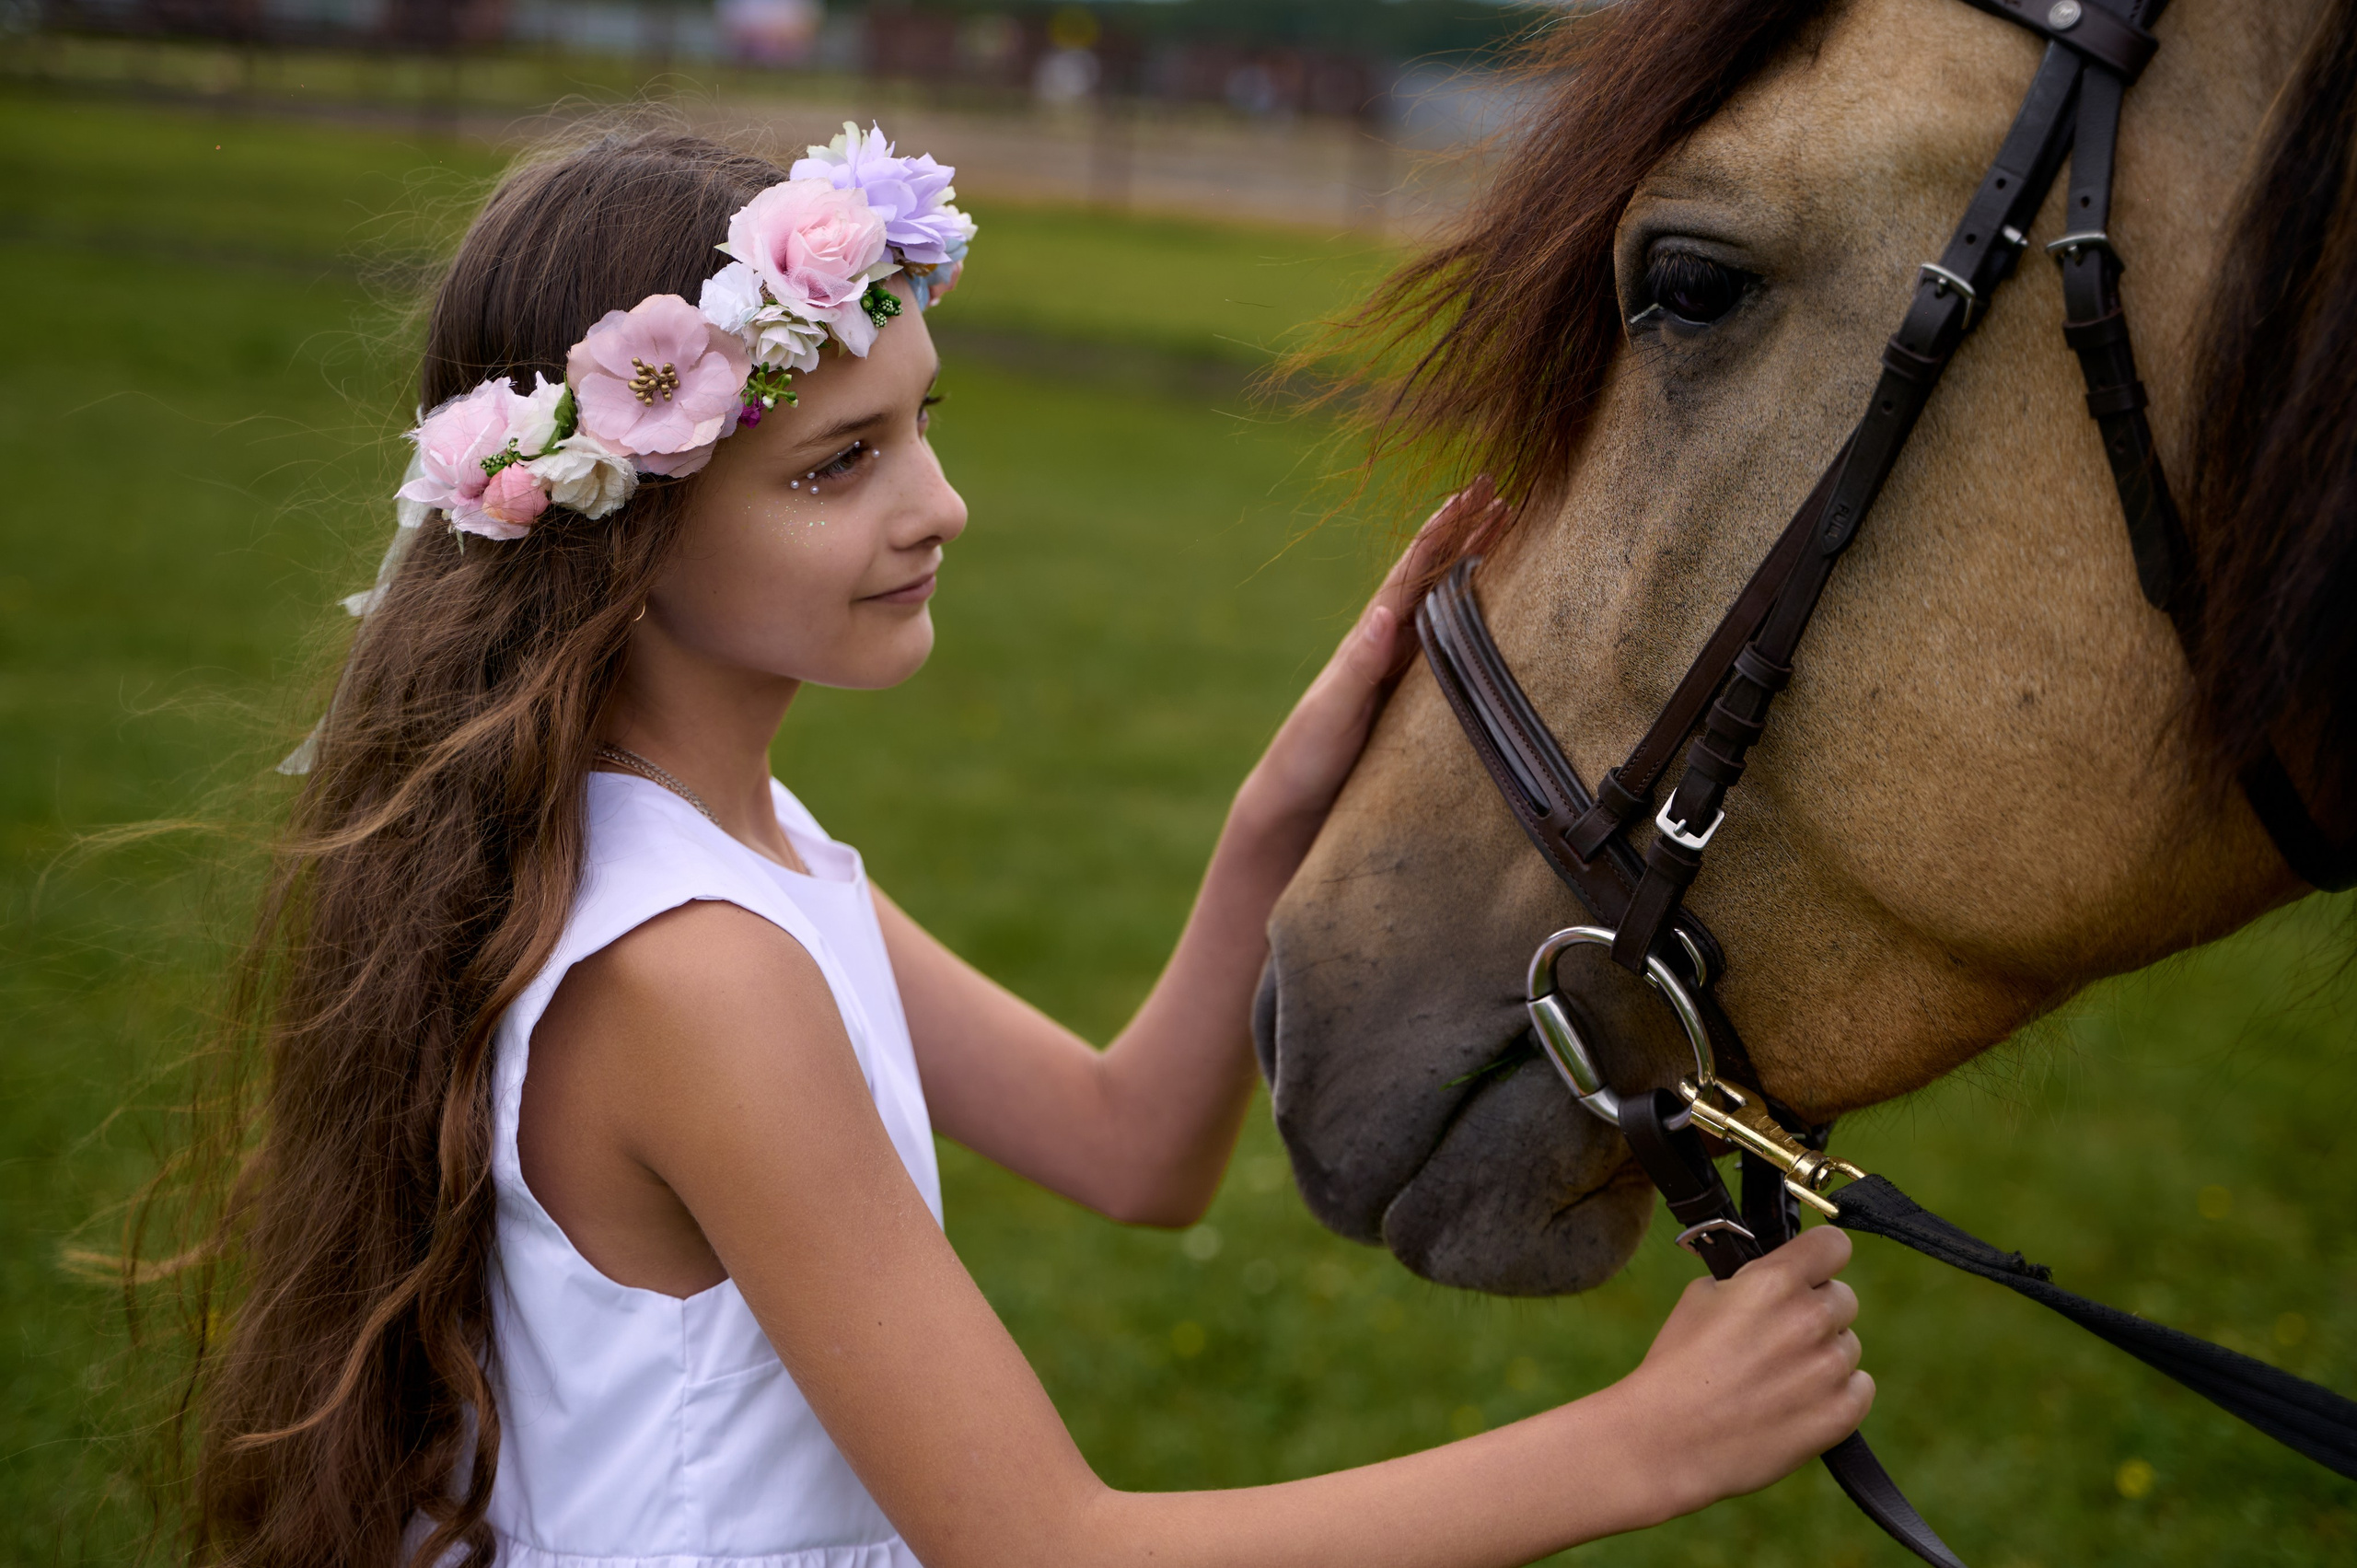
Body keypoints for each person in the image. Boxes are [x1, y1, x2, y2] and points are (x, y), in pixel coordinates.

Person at [180, 124, 1872, 1568]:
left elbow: (1133, 1151)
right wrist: (1648, 1444)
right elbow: (1044, 1547)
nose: (938, 504)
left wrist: (1274, 817)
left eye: (922, 421)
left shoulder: (730, 859)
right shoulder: (697, 976)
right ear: (622, 527)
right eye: (838, 466)